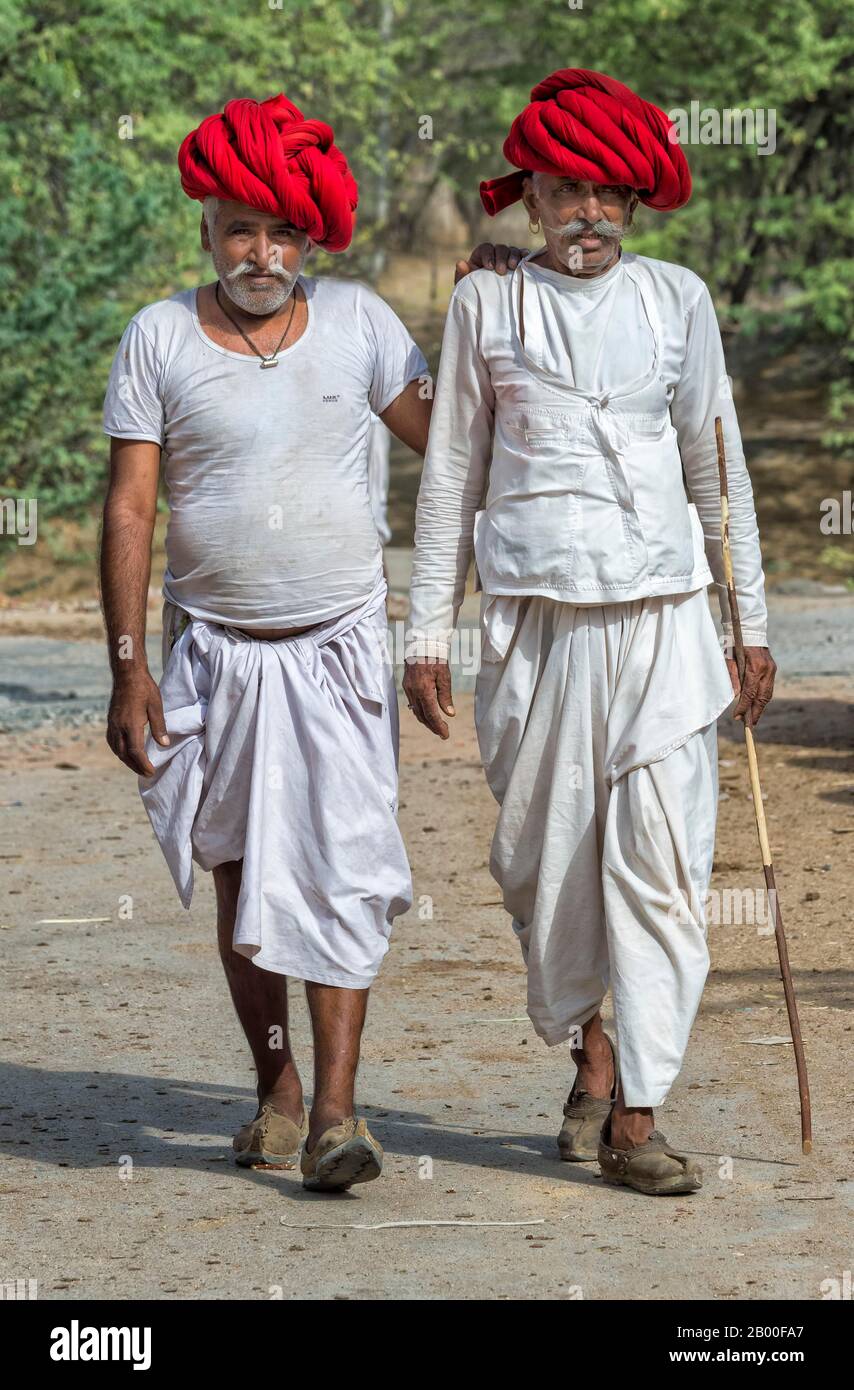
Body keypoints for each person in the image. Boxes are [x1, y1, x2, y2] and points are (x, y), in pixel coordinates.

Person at [404, 68, 776, 1196]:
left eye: (610, 192)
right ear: (529, 197)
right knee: (544, 866)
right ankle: (592, 1049)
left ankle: (640, 1117)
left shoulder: (678, 301)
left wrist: (745, 621)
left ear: (637, 199)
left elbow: (719, 471)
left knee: (661, 871)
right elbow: (452, 473)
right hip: (534, 627)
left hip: (665, 623)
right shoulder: (486, 304)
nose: (589, 214)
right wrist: (426, 628)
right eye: (566, 191)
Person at [100, 93, 432, 1192]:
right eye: (240, 227)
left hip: (337, 647)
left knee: (338, 870)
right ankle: (277, 1089)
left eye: (282, 232)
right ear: (206, 224)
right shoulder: (157, 336)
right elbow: (132, 510)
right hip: (213, 656)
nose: (260, 252)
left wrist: (496, 308)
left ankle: (339, 1114)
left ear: (310, 237)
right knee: (241, 875)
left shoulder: (361, 324)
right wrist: (128, 663)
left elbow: (456, 440)